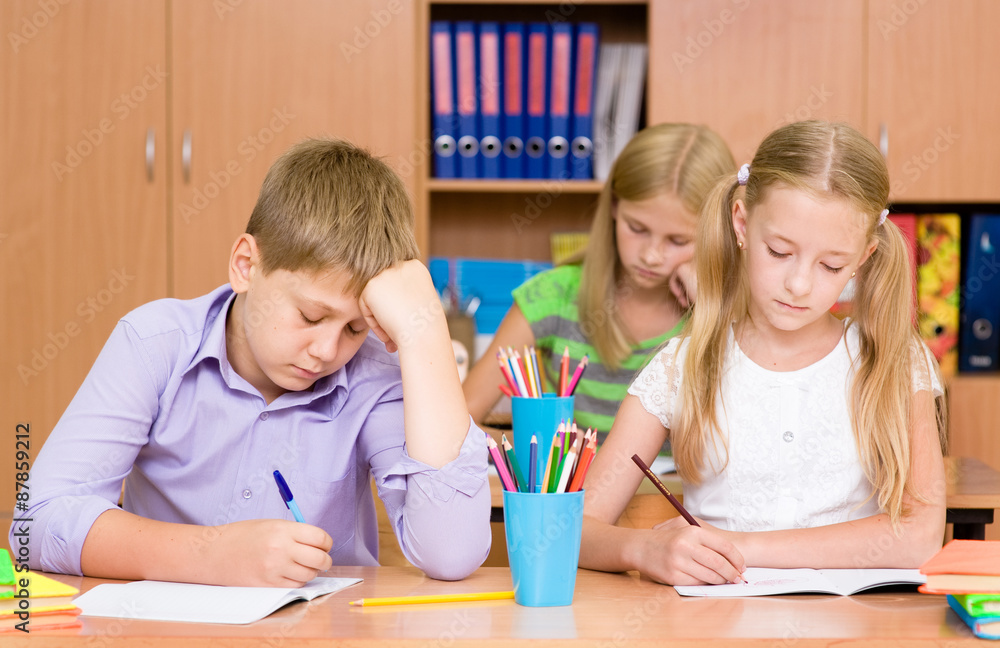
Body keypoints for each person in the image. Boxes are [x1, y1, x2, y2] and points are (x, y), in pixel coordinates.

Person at [12, 139, 491, 586]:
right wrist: (211, 554)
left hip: (326, 629)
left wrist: (425, 331)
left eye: (354, 328)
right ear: (246, 266)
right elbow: (35, 523)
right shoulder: (155, 344)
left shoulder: (372, 374)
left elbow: (451, 555)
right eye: (310, 316)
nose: (327, 351)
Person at [579, 120, 947, 586]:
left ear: (864, 257)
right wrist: (642, 548)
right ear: (741, 223)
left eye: (831, 265)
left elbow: (920, 536)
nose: (799, 284)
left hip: (857, 621)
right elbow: (574, 530)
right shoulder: (680, 366)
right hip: (713, 620)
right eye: (778, 252)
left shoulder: (895, 360)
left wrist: (739, 548)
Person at [463, 123, 736, 436]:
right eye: (637, 228)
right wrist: (538, 444)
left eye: (678, 241)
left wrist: (711, 303)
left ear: (716, 231)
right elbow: (456, 424)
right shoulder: (553, 295)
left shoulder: (734, 312)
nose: (651, 255)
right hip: (573, 470)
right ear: (615, 206)